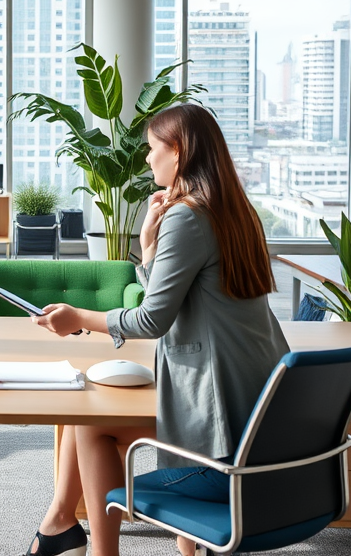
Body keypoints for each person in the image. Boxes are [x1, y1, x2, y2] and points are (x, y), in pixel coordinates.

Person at [25, 103, 289, 556]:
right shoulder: (235, 212)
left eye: (152, 149)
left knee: (90, 427)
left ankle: (95, 550)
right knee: (83, 416)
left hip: (224, 457)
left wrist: (78, 320)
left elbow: (151, 319)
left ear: (179, 153)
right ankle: (59, 524)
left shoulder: (188, 216)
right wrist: (148, 244)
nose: (147, 160)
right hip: (261, 431)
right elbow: (175, 296)